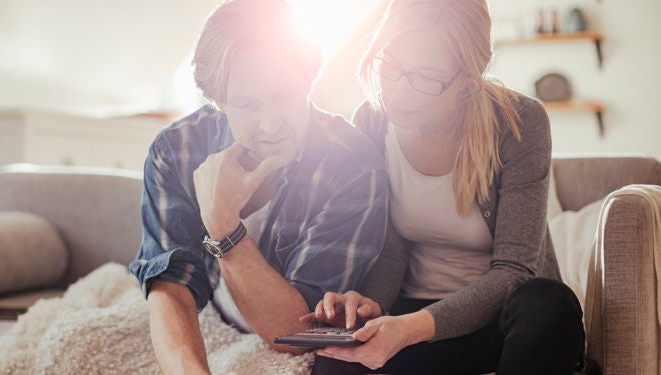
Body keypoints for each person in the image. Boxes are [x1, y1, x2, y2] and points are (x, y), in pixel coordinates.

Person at [303, 0, 586, 374]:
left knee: (549, 305)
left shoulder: (519, 123)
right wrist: (370, 303)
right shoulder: (372, 120)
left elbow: (513, 271)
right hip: (411, 315)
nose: (399, 91)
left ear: (467, 81)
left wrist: (408, 329)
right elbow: (390, 248)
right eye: (390, 66)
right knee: (334, 359)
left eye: (425, 77)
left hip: (500, 324)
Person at [128, 0, 388, 373]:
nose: (270, 126)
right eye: (248, 105)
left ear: (308, 81)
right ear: (219, 103)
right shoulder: (176, 151)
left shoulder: (354, 167)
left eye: (282, 97)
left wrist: (222, 222)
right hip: (211, 316)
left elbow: (296, 334)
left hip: (278, 334)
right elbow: (171, 286)